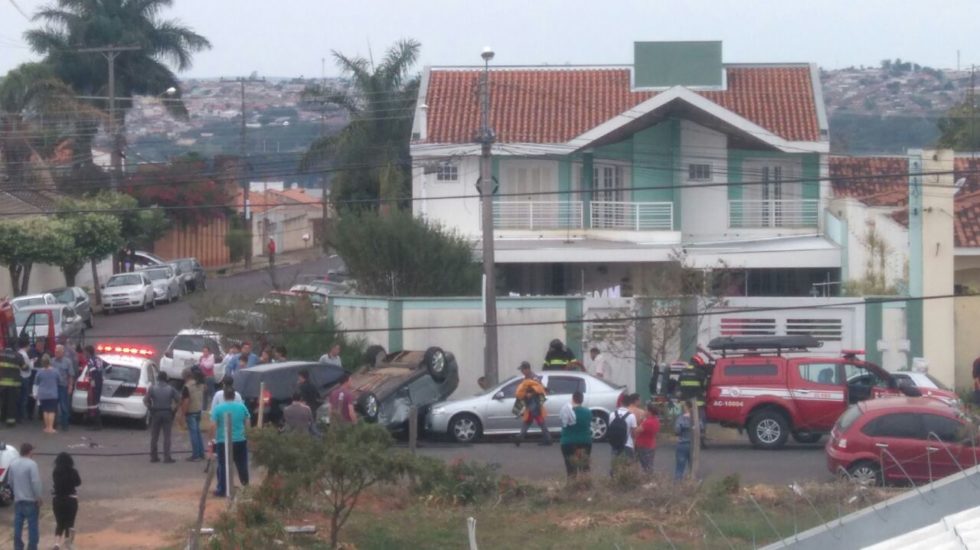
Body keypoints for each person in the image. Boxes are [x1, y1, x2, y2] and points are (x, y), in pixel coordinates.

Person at [211, 386, 251, 497]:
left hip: (223, 440)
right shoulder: (242, 407)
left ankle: (223, 489)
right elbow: (247, 420)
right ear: (234, 396)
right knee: (242, 464)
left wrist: (211, 438)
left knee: (223, 465)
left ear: (224, 396)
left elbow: (213, 425)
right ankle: (246, 487)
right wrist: (248, 434)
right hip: (240, 439)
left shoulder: (218, 408)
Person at [10, 443, 42, 550]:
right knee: (32, 526)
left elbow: (10, 482)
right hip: (31, 500)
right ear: (30, 452)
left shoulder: (13, 464)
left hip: (18, 500)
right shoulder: (32, 464)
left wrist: (16, 492)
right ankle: (32, 547)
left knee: (18, 526)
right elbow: (35, 482)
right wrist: (38, 497)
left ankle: (18, 546)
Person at [143, 371, 179, 463]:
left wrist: (150, 408)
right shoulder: (171, 389)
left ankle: (153, 456)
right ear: (166, 379)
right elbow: (179, 400)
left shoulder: (152, 388)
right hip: (167, 412)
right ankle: (167, 457)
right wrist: (174, 410)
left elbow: (145, 400)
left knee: (154, 435)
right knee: (167, 436)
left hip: (156, 413)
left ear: (158, 378)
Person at [514, 362, 551, 446]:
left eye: (522, 370)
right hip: (530, 403)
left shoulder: (533, 377)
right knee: (528, 420)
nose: (522, 371)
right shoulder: (527, 377)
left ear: (527, 369)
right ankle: (519, 438)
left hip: (534, 403)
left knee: (538, 421)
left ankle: (547, 439)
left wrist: (531, 394)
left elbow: (540, 388)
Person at [51, 452, 81, 549]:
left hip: (57, 500)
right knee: (70, 522)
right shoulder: (73, 471)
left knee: (60, 522)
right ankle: (68, 543)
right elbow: (78, 483)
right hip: (71, 499)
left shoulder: (55, 472)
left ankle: (56, 543)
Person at [559, 391, 592, 478]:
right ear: (582, 400)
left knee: (570, 468)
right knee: (584, 466)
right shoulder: (588, 412)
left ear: (573, 399)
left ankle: (572, 485)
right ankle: (585, 485)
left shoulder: (566, 411)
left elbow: (563, 424)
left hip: (568, 442)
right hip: (585, 441)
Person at [180, 369, 206, 462]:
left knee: (193, 434)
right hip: (198, 410)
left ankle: (196, 455)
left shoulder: (187, 387)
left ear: (185, 377)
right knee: (198, 433)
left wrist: (182, 415)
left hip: (191, 412)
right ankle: (201, 453)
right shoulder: (199, 384)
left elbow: (186, 401)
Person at [609, 394, 638, 471]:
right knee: (627, 468)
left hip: (615, 444)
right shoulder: (632, 416)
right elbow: (634, 433)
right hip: (627, 445)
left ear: (621, 402)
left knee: (615, 467)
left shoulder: (612, 414)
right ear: (629, 404)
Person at [0, 341, 25, 426]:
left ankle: (2, 418)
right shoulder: (18, 356)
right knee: (11, 403)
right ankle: (10, 422)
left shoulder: (1, 354)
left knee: (3, 401)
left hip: (1, 383)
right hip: (13, 384)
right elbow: (24, 367)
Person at [50, 345, 74, 432]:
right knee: (53, 406)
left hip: (63, 387)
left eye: (58, 352)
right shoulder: (52, 361)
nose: (56, 353)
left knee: (64, 407)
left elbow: (70, 375)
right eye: (55, 352)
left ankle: (65, 425)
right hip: (53, 387)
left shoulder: (67, 362)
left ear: (62, 353)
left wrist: (70, 386)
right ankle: (53, 425)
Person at [34, 356, 59, 434]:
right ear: (50, 362)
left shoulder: (39, 371)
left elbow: (36, 382)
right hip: (52, 394)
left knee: (45, 411)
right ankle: (51, 428)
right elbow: (59, 380)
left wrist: (35, 393)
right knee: (51, 411)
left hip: (42, 394)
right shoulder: (55, 371)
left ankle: (46, 427)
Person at [635, 403, 661, 474]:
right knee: (648, 464)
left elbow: (637, 430)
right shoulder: (655, 420)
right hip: (650, 444)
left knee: (646, 465)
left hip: (644, 445)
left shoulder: (648, 422)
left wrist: (640, 419)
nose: (644, 411)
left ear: (649, 412)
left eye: (645, 410)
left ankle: (648, 480)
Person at [83, 346, 104, 431]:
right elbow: (109, 367)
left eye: (85, 352)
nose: (84, 354)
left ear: (88, 352)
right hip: (100, 381)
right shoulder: (99, 359)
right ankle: (93, 420)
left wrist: (89, 377)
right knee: (95, 402)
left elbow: (91, 371)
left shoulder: (90, 360)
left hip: (95, 382)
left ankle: (97, 423)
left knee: (93, 402)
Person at [674, 400, 694, 480]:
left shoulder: (681, 418)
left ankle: (677, 484)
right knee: (693, 466)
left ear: (686, 407)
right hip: (693, 444)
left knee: (680, 466)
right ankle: (692, 483)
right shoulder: (695, 418)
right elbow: (701, 427)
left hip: (682, 443)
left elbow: (677, 430)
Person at [16, 337, 35, 422]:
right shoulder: (24, 355)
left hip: (19, 376)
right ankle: (21, 416)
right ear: (27, 345)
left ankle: (18, 415)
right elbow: (28, 367)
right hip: (25, 377)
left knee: (19, 397)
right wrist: (32, 361)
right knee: (24, 398)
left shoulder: (18, 353)